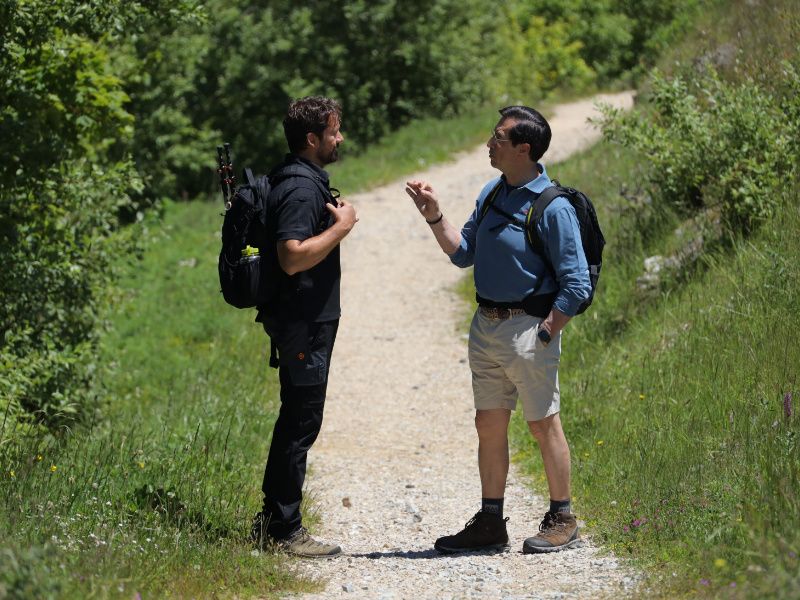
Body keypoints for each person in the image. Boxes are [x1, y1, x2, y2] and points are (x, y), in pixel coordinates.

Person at [405, 105, 590, 554]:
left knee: (543, 423)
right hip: (485, 326)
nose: (490, 143)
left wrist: (547, 330)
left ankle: (562, 517)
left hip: (528, 329)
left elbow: (578, 283)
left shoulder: (553, 207)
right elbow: (463, 251)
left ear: (523, 148)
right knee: (488, 423)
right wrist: (433, 214)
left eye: (498, 138)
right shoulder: (492, 192)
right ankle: (491, 522)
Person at [251, 96, 357, 558]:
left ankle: (273, 522)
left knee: (298, 417)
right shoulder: (299, 187)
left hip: (304, 319)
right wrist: (342, 228)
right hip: (302, 322)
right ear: (312, 139)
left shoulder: (301, 178)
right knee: (300, 421)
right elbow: (291, 256)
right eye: (334, 132)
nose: (340, 138)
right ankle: (282, 530)